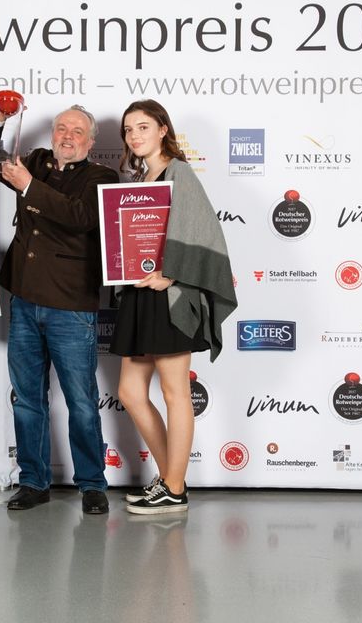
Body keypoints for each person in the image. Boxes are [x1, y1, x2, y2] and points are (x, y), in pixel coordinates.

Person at [0, 104, 119, 514]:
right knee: (28, 399)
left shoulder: (102, 177)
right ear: (52, 134)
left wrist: (30, 186)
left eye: (77, 131)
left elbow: (81, 217)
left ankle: (92, 484)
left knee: (81, 401)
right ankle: (33, 481)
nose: (68, 136)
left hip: (71, 305)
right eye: (61, 128)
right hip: (25, 300)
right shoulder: (34, 161)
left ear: (91, 141)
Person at [112, 99, 237, 515]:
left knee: (174, 391)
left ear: (163, 129)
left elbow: (205, 233)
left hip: (169, 296)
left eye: (143, 127)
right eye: (128, 129)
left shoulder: (178, 172)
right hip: (138, 294)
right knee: (130, 392)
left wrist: (172, 274)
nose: (134, 136)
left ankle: (174, 487)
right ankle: (170, 480)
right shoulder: (139, 178)